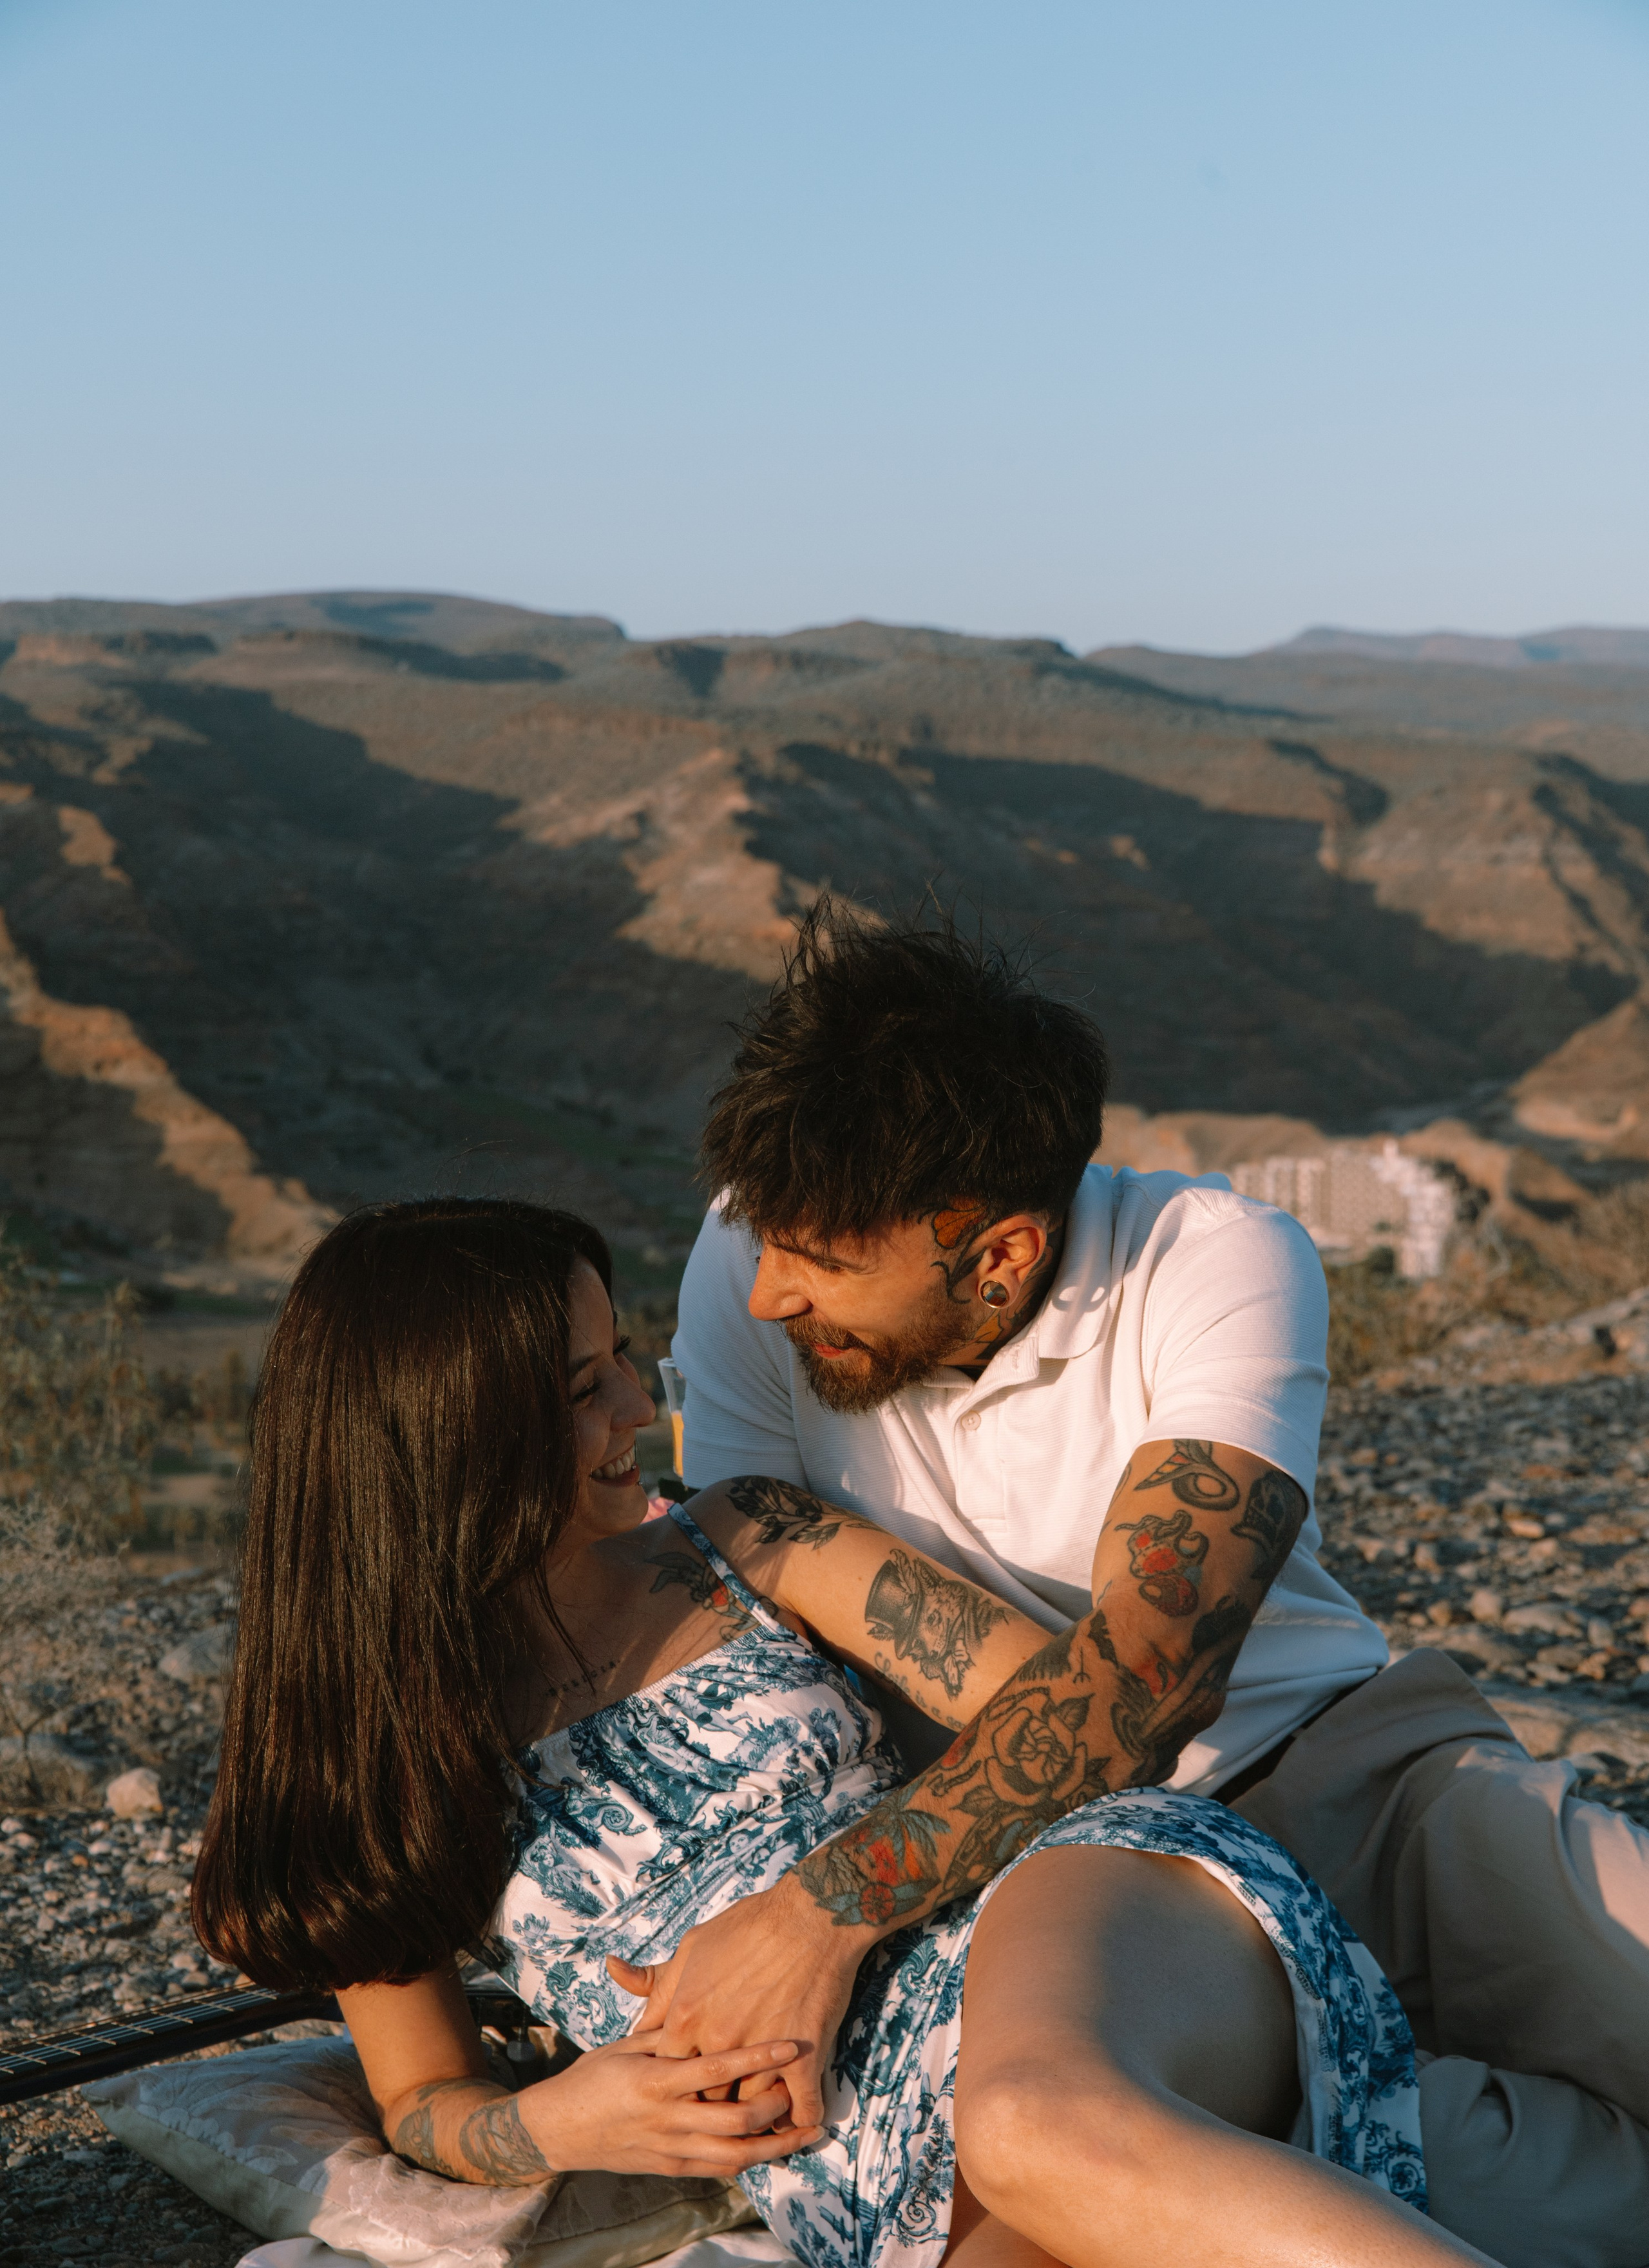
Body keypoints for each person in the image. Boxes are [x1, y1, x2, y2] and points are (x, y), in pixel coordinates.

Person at [191, 1199, 1489, 2268]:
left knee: (1034, 2119)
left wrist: (820, 1908)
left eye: (624, 1360)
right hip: (869, 2184)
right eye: (585, 1391)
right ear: (442, 1444)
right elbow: (424, 2101)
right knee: (1022, 2179)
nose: (638, 1410)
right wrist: (559, 2122)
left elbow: (1071, 1720)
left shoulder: (747, 1537)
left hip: (1070, 1937)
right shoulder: (370, 1764)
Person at [661, 901, 1649, 2268]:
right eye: (764, 1244)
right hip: (1082, 1881)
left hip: (1361, 1779)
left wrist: (816, 1915)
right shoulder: (746, 1256)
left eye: (822, 1265)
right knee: (1268, 2171)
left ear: (996, 1254)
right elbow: (733, 1566)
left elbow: (1146, 1680)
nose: (767, 1295)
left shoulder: (1211, 1256)